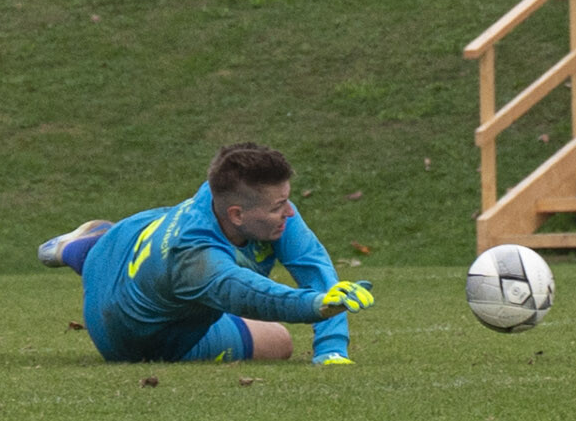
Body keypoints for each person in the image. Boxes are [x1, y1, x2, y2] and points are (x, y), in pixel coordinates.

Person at [38, 143, 373, 366]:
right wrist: (317, 304)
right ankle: (86, 248)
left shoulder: (226, 195)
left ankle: (83, 247)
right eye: (278, 206)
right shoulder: (195, 259)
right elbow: (254, 296)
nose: (289, 213)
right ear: (237, 214)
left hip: (126, 240)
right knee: (278, 341)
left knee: (126, 261)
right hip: (126, 340)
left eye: (287, 200)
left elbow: (311, 263)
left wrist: (331, 348)